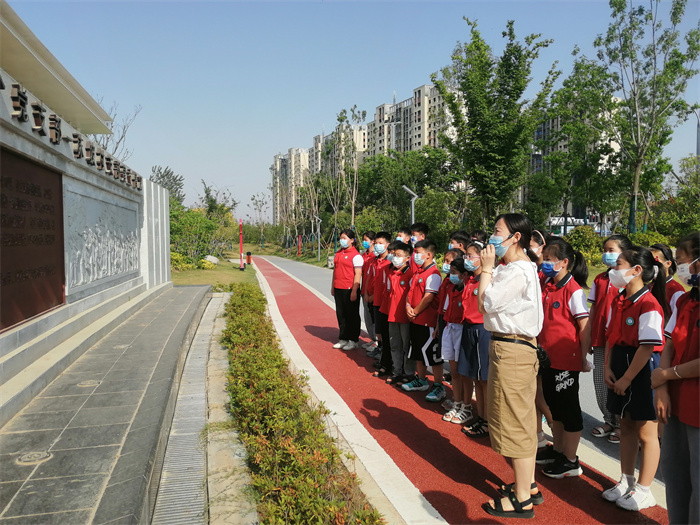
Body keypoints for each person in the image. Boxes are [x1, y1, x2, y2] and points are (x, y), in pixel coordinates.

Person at [478, 213, 543, 519]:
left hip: (512, 349)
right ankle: (527, 485)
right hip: (515, 348)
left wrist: (486, 270)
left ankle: (521, 500)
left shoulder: (516, 271)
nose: (492, 238)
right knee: (523, 418)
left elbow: (485, 303)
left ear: (516, 237)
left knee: (514, 420)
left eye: (497, 232)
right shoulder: (520, 268)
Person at [602, 246, 668, 511]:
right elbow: (611, 335)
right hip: (619, 364)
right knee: (626, 425)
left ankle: (644, 489)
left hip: (640, 371)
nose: (613, 270)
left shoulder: (649, 304)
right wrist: (608, 366)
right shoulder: (619, 299)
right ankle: (626, 480)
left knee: (647, 431)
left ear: (636, 270)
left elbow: (647, 347)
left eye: (618, 264)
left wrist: (627, 379)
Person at [653, 232, 700, 525]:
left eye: (682, 261)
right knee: (676, 475)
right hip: (677, 403)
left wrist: (666, 374)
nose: (680, 267)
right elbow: (669, 343)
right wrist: (661, 389)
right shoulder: (685, 300)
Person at [535, 237, 591, 479]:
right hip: (547, 359)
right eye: (544, 259)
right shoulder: (548, 285)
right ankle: (558, 450)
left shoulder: (574, 290)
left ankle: (571, 459)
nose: (545, 264)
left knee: (568, 409)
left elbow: (584, 326)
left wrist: (582, 357)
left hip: (566, 361)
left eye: (549, 260)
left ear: (564, 262)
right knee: (554, 406)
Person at [589, 234, 633, 444]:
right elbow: (594, 309)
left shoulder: (629, 279)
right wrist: (588, 336)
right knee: (601, 384)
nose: (607, 254)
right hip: (600, 341)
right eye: (605, 250)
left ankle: (621, 424)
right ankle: (608, 420)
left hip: (620, 343)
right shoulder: (600, 279)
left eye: (611, 250)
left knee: (618, 383)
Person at [402, 239, 445, 402]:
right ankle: (421, 380)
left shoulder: (433, 274)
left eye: (418, 252)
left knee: (433, 356)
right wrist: (407, 306)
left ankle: (439, 386)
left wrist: (415, 311)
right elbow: (410, 292)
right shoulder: (418, 272)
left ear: (428, 254)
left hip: (427, 321)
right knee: (418, 353)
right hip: (416, 320)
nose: (415, 255)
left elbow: (429, 297)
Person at [459, 241, 492, 437]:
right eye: (466, 256)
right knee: (476, 379)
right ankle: (481, 416)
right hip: (469, 328)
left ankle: (487, 420)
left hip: (482, 329)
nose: (467, 260)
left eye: (471, 256)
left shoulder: (486, 279)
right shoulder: (470, 280)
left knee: (484, 380)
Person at [529, 229, 553, 449]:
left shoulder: (546, 276)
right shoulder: (532, 270)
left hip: (544, 341)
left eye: (532, 244)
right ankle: (537, 435)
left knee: (541, 392)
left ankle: (556, 432)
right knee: (534, 391)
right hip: (532, 338)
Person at [440, 256, 469, 422]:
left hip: (462, 330)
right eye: (450, 272)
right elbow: (445, 309)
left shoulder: (467, 290)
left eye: (454, 273)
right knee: (454, 371)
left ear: (464, 274)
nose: (451, 276)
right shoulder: (451, 288)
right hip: (449, 327)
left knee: (462, 372)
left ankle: (466, 405)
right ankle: (457, 403)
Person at [385, 241, 414, 385]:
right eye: (394, 255)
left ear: (408, 258)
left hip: (405, 316)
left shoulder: (410, 273)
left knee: (406, 345)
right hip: (392, 315)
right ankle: (397, 371)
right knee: (394, 344)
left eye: (399, 255)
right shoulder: (392, 272)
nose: (395, 258)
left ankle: (408, 373)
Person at [331, 229, 364, 351]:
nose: (342, 240)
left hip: (349, 288)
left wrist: (354, 290)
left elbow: (358, 273)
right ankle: (343, 338)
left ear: (352, 240)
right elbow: (335, 271)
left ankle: (353, 339)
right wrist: (332, 286)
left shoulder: (356, 256)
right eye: (341, 238)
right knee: (341, 314)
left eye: (345, 238)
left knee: (352, 315)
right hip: (338, 287)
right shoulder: (338, 253)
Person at [369, 232, 394, 375]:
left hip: (387, 304)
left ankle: (389, 365)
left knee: (388, 335)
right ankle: (384, 361)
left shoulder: (390, 263)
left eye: (380, 243)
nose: (377, 245)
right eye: (376, 243)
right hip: (377, 302)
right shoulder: (375, 261)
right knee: (380, 333)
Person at [360, 231, 377, 351]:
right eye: (363, 240)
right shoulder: (364, 255)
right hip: (364, 291)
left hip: (373, 292)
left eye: (366, 240)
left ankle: (377, 341)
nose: (364, 242)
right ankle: (372, 339)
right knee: (367, 317)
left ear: (373, 241)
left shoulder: (375, 256)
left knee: (374, 317)